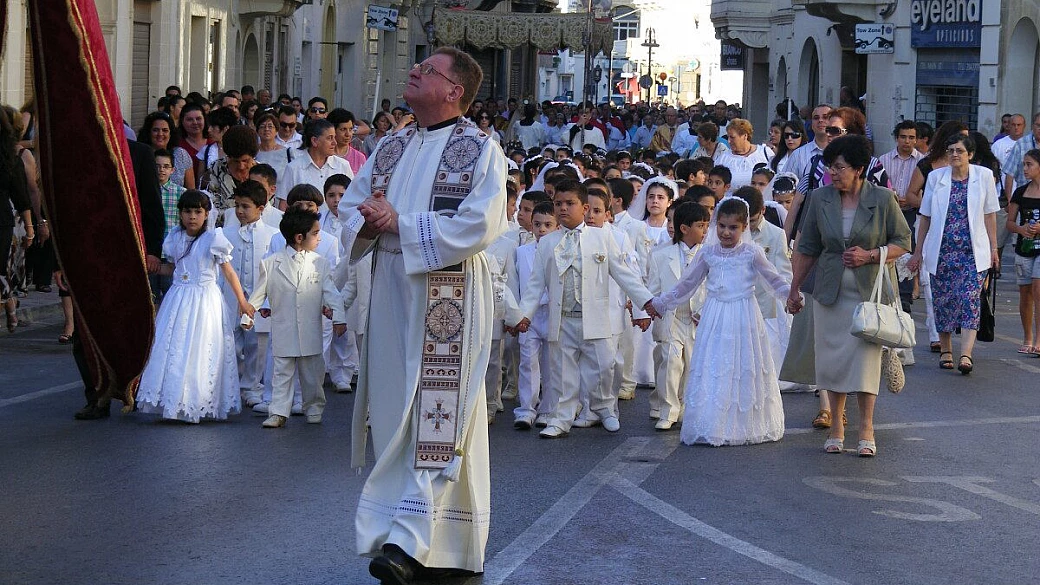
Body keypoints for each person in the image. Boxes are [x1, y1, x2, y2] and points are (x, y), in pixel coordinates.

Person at [338, 47, 505, 581]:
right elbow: (350, 207)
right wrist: (369, 220)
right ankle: (426, 541)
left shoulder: (480, 149)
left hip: (447, 291)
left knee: (438, 416)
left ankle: (408, 545)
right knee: (394, 411)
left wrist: (400, 224)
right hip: (391, 286)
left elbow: (481, 222)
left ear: (455, 90)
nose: (414, 71)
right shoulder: (391, 143)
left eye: (428, 70)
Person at [787, 135, 912, 457]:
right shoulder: (820, 198)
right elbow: (807, 247)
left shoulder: (882, 198)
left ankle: (866, 428)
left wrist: (870, 255)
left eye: (839, 167)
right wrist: (794, 287)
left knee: (865, 362)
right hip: (830, 292)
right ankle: (837, 427)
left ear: (858, 169)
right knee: (832, 362)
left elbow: (903, 241)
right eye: (830, 166)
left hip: (868, 294)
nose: (833, 172)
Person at [509, 180, 656, 438]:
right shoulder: (547, 243)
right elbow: (535, 286)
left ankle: (605, 409)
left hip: (595, 317)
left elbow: (624, 274)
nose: (563, 208)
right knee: (562, 373)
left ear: (584, 207)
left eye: (570, 203)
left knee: (603, 367)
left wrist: (646, 302)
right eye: (558, 204)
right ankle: (561, 419)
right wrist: (521, 316)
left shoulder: (602, 236)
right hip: (562, 317)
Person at [650, 197, 790, 445]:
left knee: (743, 366)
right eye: (722, 226)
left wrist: (791, 296)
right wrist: (661, 303)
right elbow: (687, 284)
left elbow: (773, 279)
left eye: (733, 227)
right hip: (715, 315)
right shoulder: (707, 253)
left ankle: (743, 425)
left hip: (744, 315)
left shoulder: (752, 252)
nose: (726, 232)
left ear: (744, 227)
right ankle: (713, 423)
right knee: (715, 366)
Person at [135, 190, 254, 423]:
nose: (192, 216)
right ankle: (174, 400)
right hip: (178, 298)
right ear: (180, 214)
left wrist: (242, 301)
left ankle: (197, 401)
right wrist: (153, 268)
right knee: (175, 347)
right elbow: (175, 268)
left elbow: (229, 273)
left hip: (204, 301)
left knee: (201, 347)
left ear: (206, 214)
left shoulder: (213, 238)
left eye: (198, 212)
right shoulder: (175, 238)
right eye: (187, 211)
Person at [908, 134, 1000, 375]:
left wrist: (994, 248)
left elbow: (990, 214)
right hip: (942, 251)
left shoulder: (984, 176)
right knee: (944, 301)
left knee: (970, 299)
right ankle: (946, 349)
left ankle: (966, 354)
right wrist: (918, 251)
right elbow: (926, 216)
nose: (954, 155)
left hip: (973, 252)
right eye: (950, 150)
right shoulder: (936, 178)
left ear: (970, 154)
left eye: (959, 151)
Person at [246, 204, 344, 428]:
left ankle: (314, 407)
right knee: (282, 374)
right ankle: (278, 412)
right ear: (300, 237)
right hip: (283, 328)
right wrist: (248, 316)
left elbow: (332, 293)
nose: (319, 238)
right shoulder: (271, 264)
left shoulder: (320, 264)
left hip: (310, 329)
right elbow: (258, 294)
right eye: (315, 233)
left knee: (313, 375)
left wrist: (339, 317)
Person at [647, 201, 709, 431]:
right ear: (684, 228)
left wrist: (704, 310)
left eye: (706, 225)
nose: (705, 231)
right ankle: (668, 410)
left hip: (696, 319)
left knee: (692, 365)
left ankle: (687, 407)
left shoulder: (709, 254)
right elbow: (653, 289)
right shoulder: (660, 255)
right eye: (700, 226)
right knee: (670, 363)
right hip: (671, 318)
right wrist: (652, 310)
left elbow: (714, 287)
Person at [221, 180, 278, 407]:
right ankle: (230, 385)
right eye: (237, 205)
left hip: (258, 298)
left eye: (245, 206)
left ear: (261, 208)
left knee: (257, 344)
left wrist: (268, 300)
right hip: (231, 297)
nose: (240, 211)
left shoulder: (273, 235)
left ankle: (252, 385)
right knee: (230, 342)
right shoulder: (225, 234)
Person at [509, 201, 559, 429]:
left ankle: (548, 409)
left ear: (557, 226)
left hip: (552, 311)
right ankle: (526, 409)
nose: (542, 229)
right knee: (527, 362)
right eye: (537, 224)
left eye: (548, 225)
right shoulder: (522, 252)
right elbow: (516, 283)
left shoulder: (560, 251)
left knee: (550, 363)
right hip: (528, 314)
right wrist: (515, 314)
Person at [1005, 148, 1040, 355]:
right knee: (1025, 294)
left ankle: (1039, 339)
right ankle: (1027, 337)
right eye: (1024, 164)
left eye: (1029, 165)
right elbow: (1009, 222)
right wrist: (1021, 229)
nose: (1025, 169)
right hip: (1024, 247)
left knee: (1038, 289)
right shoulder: (1020, 192)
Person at [0, 106, 32, 331]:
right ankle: (10, 303)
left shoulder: (10, 157)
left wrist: (30, 227)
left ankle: (9, 303)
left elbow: (21, 196)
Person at [276, 118, 354, 206]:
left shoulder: (343, 165)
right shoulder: (294, 168)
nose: (334, 143)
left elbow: (353, 198)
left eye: (334, 137)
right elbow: (284, 204)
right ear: (314, 141)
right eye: (329, 138)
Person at [139, 111, 195, 188]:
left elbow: (191, 190)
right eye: (155, 130)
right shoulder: (140, 155)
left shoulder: (181, 155)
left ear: (171, 134)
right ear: (148, 133)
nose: (160, 134)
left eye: (165, 130)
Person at [713, 119, 772, 191]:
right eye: (728, 137)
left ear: (745, 136)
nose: (728, 141)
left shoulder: (764, 153)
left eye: (732, 137)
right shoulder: (723, 158)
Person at [254, 110, 295, 186]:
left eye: (270, 126)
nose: (266, 129)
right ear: (257, 131)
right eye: (262, 126)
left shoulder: (287, 153)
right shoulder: (253, 152)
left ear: (276, 131)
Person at [328, 108, 368, 174]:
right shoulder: (325, 156)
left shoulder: (359, 158)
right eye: (343, 129)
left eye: (350, 129)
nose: (348, 134)